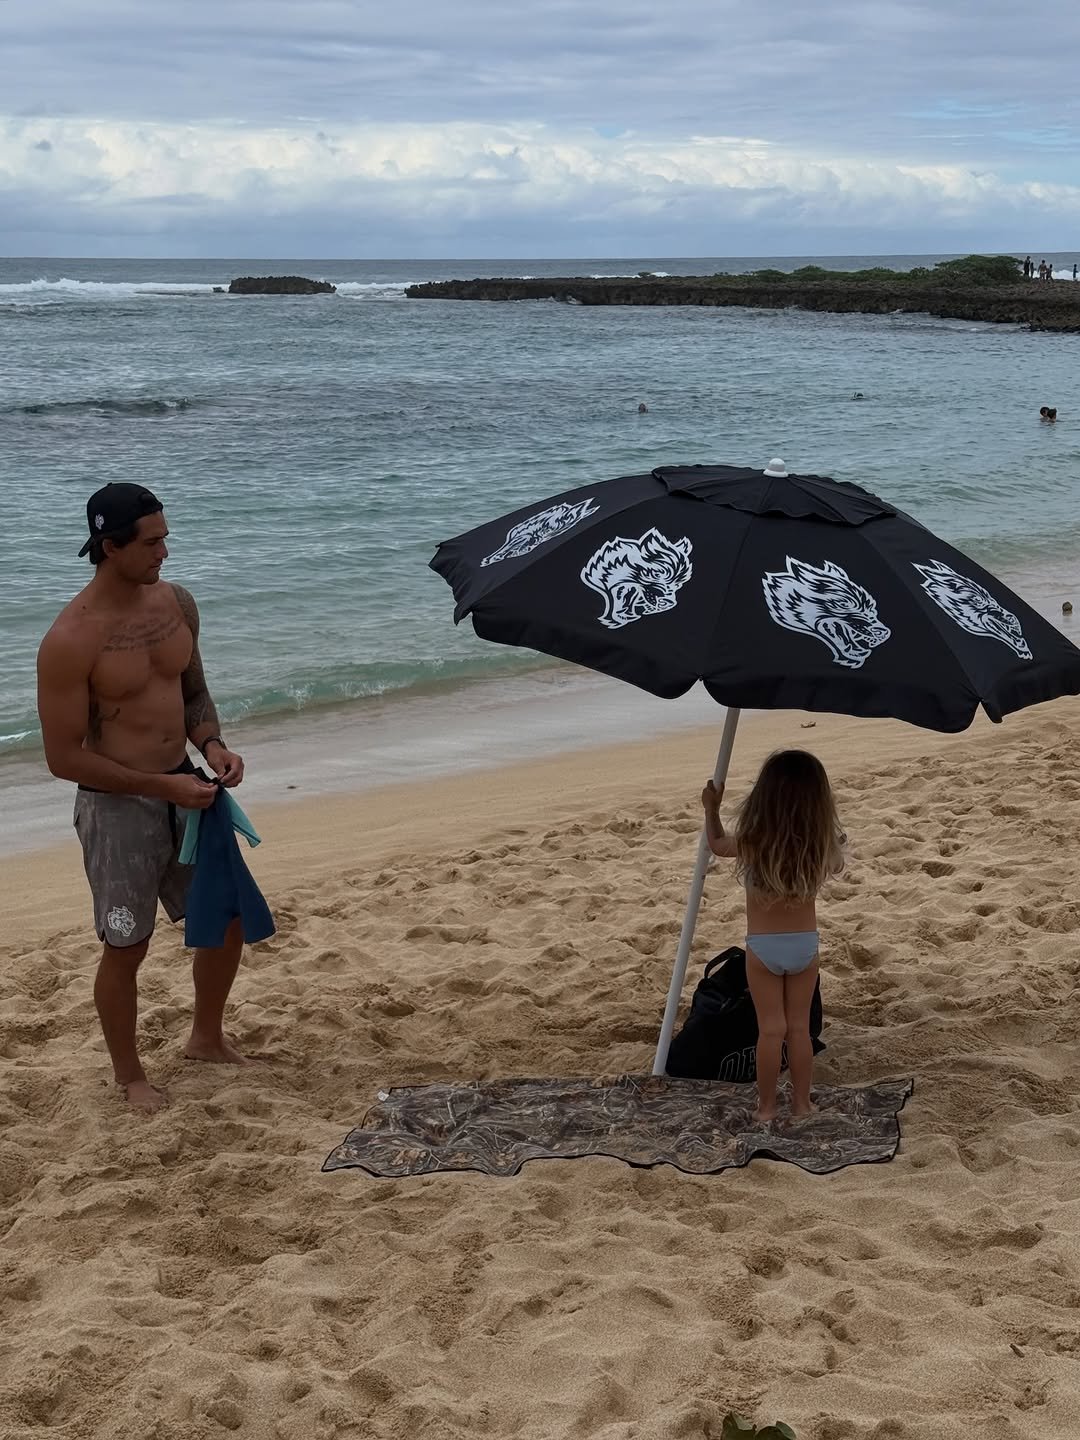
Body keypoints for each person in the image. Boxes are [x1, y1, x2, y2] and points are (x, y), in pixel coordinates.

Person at [36, 483, 248, 1111]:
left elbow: (193, 695)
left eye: (165, 536)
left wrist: (212, 748)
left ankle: (205, 1038)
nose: (165, 551)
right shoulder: (72, 640)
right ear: (110, 546)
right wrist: (162, 786)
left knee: (226, 918)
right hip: (116, 807)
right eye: (152, 542)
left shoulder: (177, 603)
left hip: (187, 785)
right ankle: (130, 1076)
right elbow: (63, 756)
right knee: (127, 943)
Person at [700, 750, 845, 1124]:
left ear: (763, 797)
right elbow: (837, 861)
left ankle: (765, 1109)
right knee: (798, 1029)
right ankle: (801, 1105)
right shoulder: (819, 844)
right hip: (804, 945)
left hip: (763, 948)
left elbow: (717, 844)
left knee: (770, 1030)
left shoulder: (753, 841)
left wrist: (711, 809)